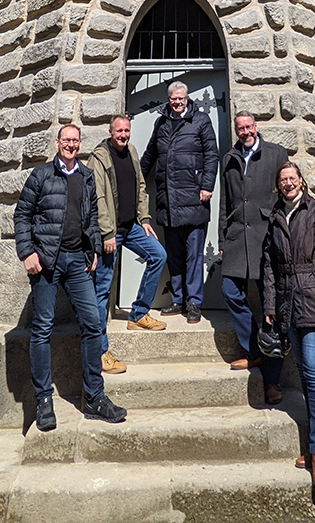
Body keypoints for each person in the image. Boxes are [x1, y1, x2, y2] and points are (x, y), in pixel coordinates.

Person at [13, 123, 127, 431]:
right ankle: (43, 401)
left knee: (93, 323)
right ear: (57, 143)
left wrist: (91, 250)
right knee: (42, 329)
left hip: (78, 262)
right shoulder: (41, 175)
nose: (71, 145)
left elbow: (89, 217)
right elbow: (22, 215)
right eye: (66, 140)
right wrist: (28, 253)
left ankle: (94, 397)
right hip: (47, 261)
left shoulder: (86, 175)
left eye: (76, 141)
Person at [262, 160, 315, 489]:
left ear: (301, 181)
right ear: (278, 185)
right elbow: (268, 264)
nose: (288, 183)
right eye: (283, 180)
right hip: (287, 303)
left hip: (313, 301)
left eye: (292, 178)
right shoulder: (276, 216)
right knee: (305, 370)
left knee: (312, 372)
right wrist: (270, 304)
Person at [218, 112, 288, 405]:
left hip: (265, 238)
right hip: (237, 238)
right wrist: (222, 238)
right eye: (240, 128)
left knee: (270, 306)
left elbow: (285, 194)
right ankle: (254, 351)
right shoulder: (229, 158)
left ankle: (273, 381)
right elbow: (225, 202)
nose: (245, 132)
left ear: (256, 128)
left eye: (249, 127)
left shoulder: (275, 154)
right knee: (229, 291)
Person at [89, 114, 167, 374]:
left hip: (131, 226)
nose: (123, 135)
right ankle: (100, 352)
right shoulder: (98, 157)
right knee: (102, 290)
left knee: (158, 255)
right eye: (119, 131)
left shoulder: (131, 151)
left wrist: (144, 218)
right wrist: (107, 233)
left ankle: (138, 313)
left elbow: (140, 186)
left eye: (127, 131)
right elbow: (97, 197)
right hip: (110, 233)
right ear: (110, 131)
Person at [140, 80, 218, 324]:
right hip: (168, 199)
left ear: (187, 98)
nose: (177, 102)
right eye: (173, 99)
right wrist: (136, 180)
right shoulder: (161, 122)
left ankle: (193, 302)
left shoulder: (201, 120)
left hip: (194, 198)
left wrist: (207, 185)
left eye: (181, 99)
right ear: (168, 99)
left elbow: (211, 154)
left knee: (194, 255)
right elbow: (150, 154)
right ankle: (177, 299)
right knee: (173, 254)